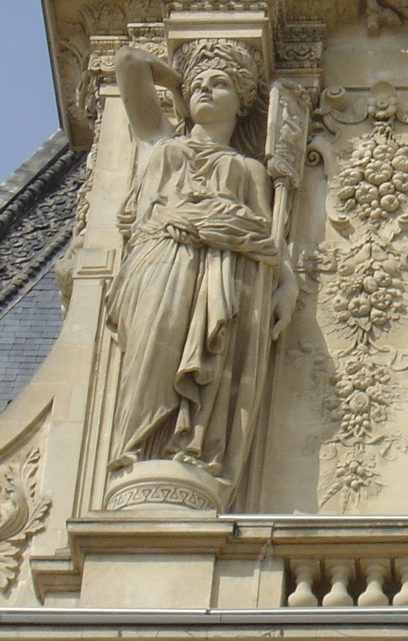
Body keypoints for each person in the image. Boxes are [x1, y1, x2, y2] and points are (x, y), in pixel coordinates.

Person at [106, 40, 295, 485]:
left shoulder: (247, 170)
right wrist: (181, 83)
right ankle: (133, 453)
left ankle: (185, 452)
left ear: (243, 100)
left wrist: (288, 285)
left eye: (221, 84)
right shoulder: (161, 142)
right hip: (159, 259)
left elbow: (270, 239)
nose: (206, 91)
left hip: (219, 272)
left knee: (206, 362)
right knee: (152, 351)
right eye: (200, 87)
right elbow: (128, 62)